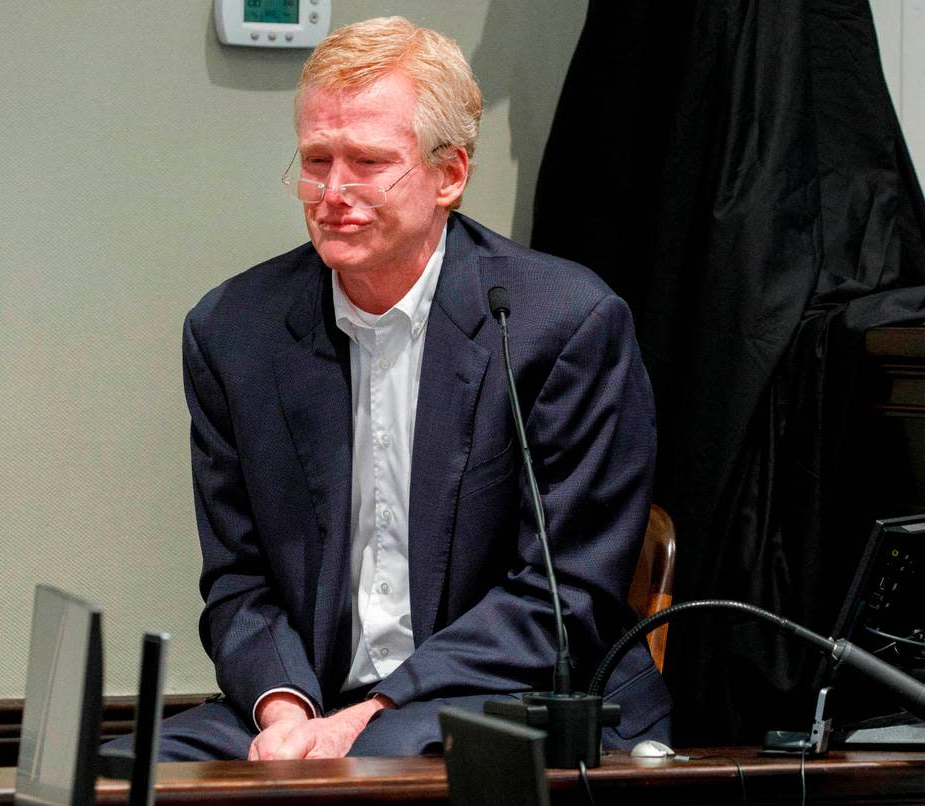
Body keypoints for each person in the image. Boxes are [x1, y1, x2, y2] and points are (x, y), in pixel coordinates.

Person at [148, 16, 671, 761]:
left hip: (511, 692)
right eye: (316, 160)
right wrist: (285, 711)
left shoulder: (563, 326)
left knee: (381, 758)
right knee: (123, 772)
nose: (333, 192)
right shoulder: (234, 333)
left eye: (366, 161)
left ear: (449, 174)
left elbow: (563, 598)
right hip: (317, 696)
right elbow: (239, 579)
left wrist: (376, 710)